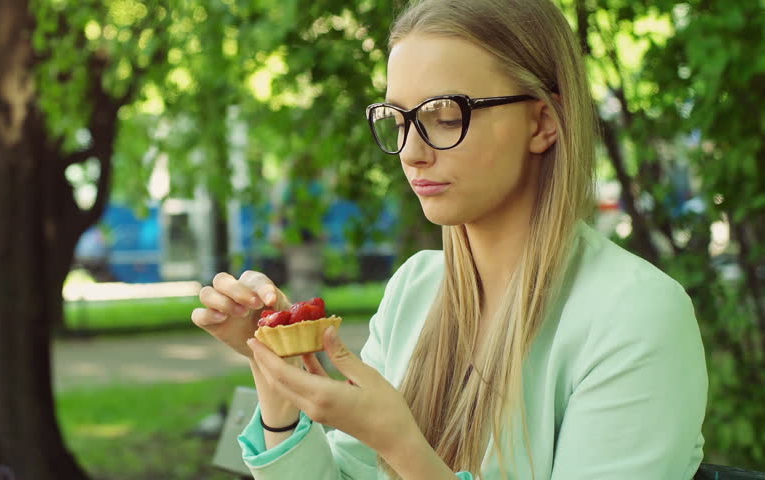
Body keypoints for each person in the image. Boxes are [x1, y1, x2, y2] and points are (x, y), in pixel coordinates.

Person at [190, 0, 708, 478]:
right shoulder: (415, 288)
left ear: (543, 122)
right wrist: (279, 373)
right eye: (398, 120)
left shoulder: (635, 315)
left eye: (445, 116)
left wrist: (402, 445)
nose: (411, 153)